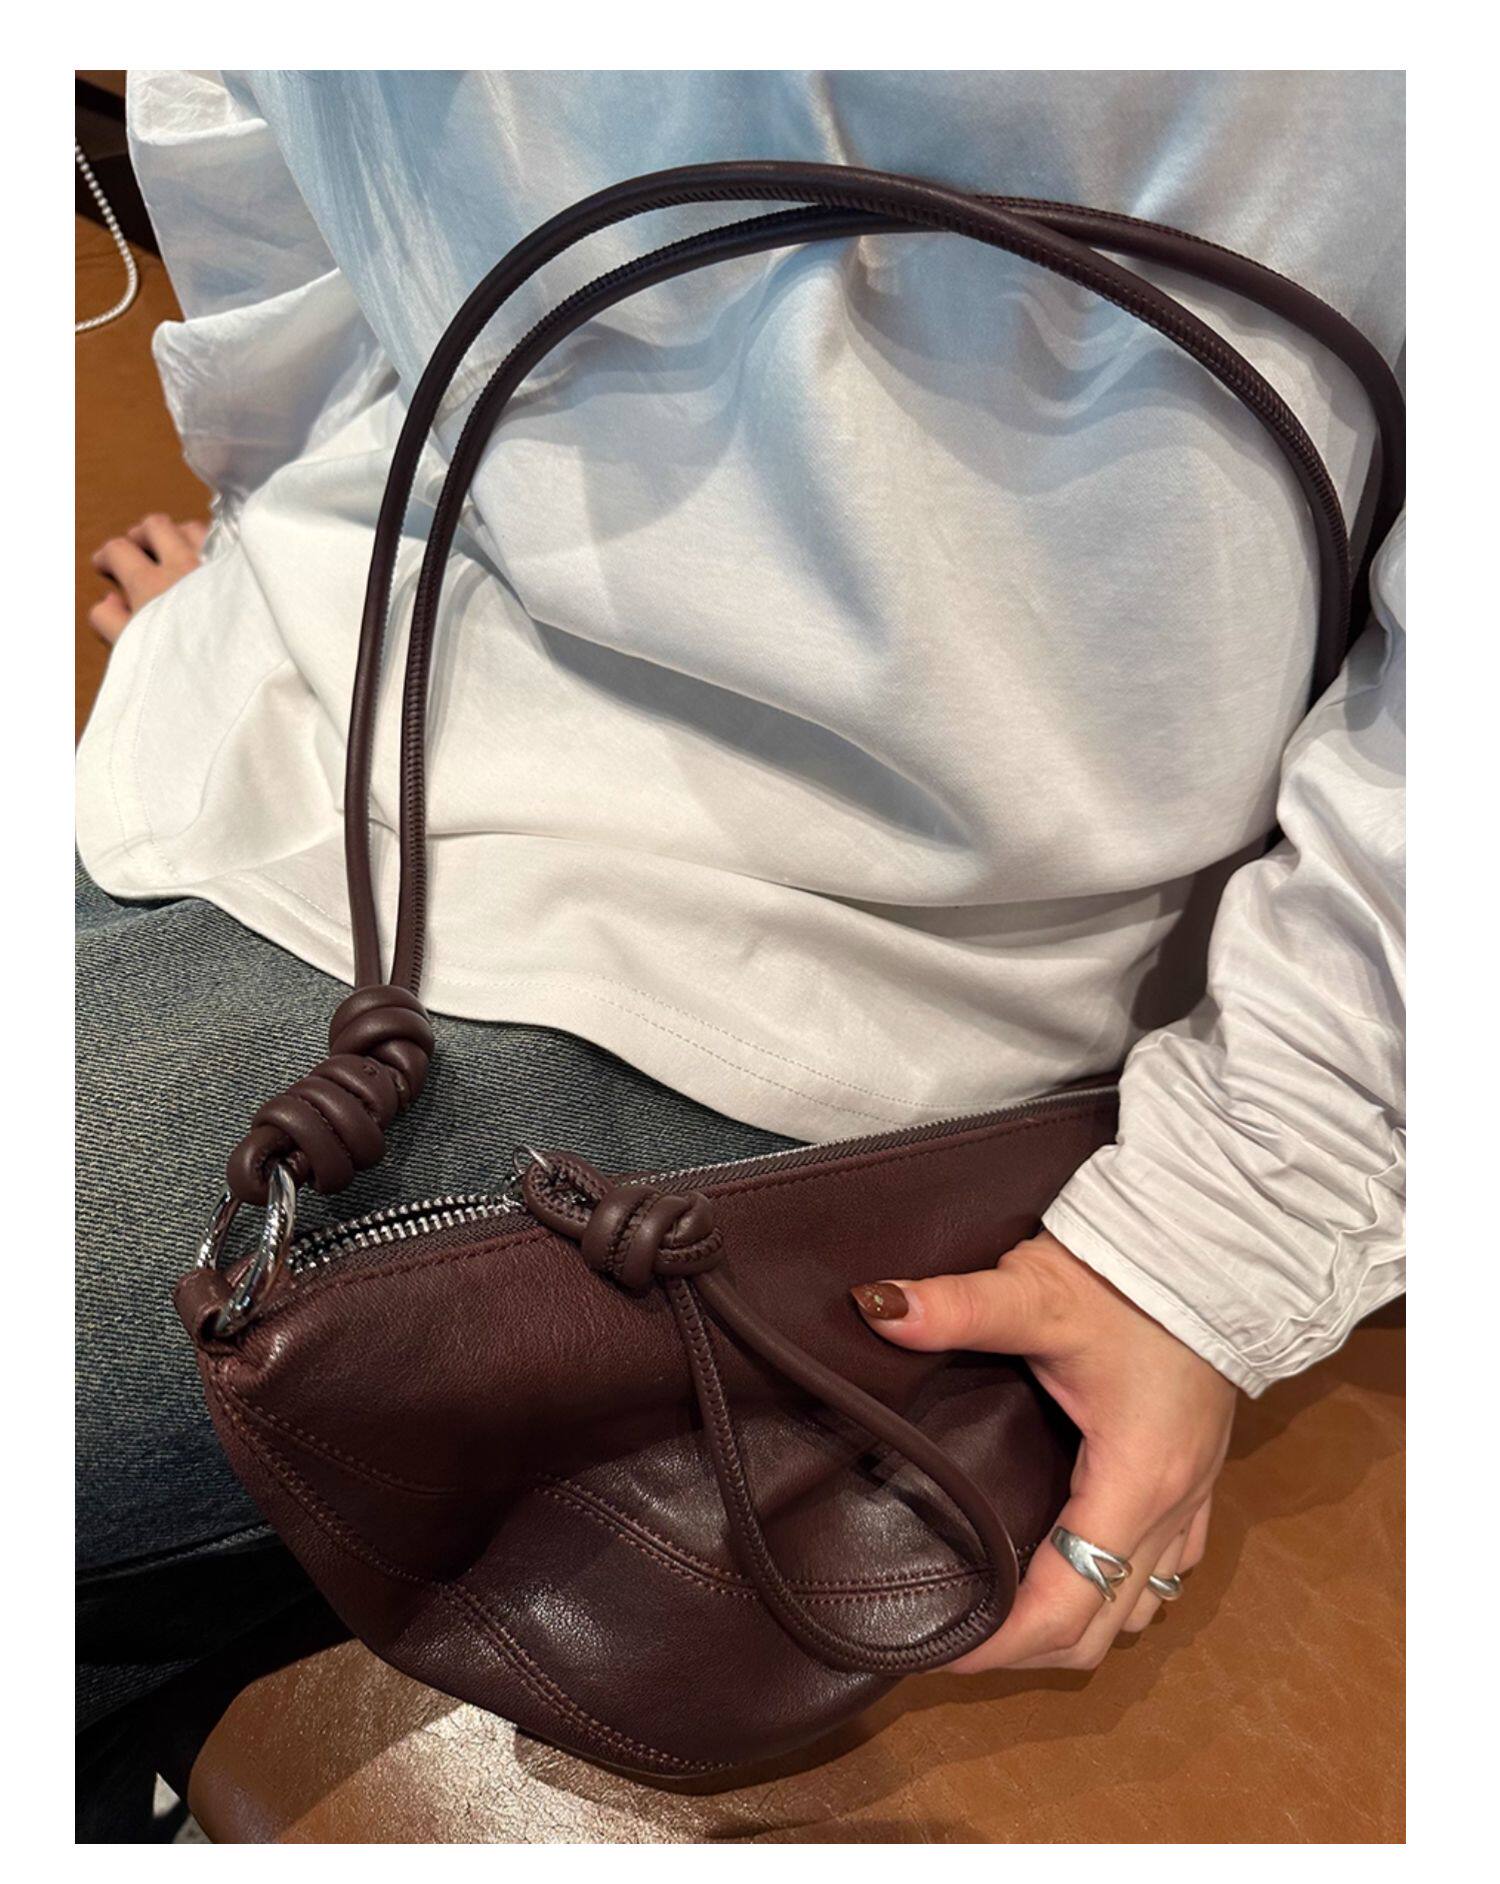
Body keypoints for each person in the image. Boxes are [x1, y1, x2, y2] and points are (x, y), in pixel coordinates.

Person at [76, 69, 1404, 1832]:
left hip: (887, 934)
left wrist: (1230, 1226)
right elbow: (260, 124)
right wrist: (293, 527)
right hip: (321, 665)